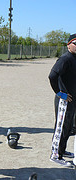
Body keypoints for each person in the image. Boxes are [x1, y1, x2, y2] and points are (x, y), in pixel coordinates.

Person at [48, 33, 76, 167]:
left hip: (73, 100)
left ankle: (62, 150)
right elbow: (52, 76)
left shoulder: (75, 58)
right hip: (64, 100)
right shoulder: (65, 58)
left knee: (68, 127)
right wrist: (60, 93)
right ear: (68, 44)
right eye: (75, 43)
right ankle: (55, 155)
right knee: (61, 127)